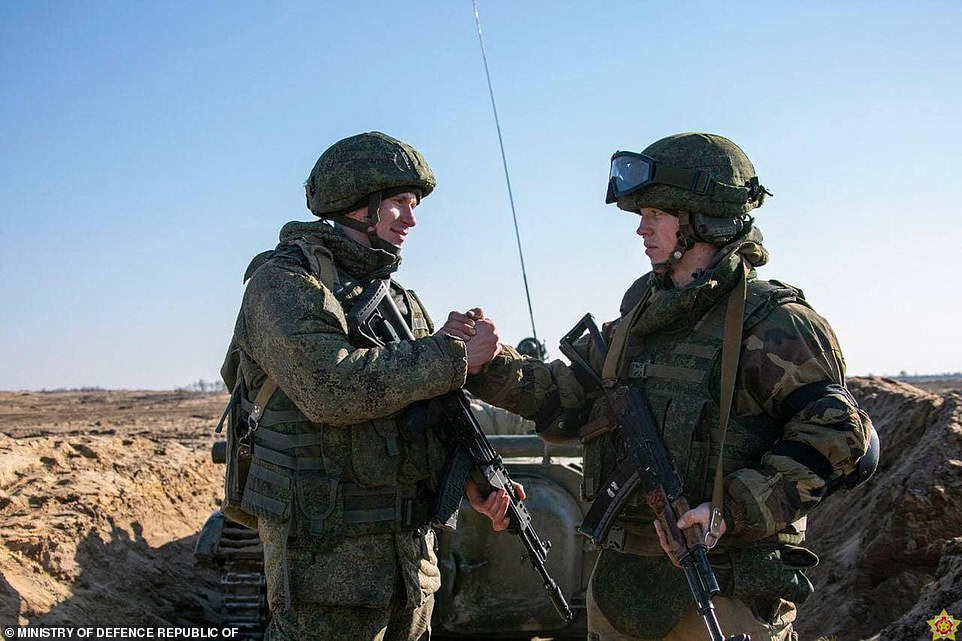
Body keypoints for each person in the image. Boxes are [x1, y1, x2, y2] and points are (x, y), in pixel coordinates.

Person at [465, 132, 874, 640]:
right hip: (622, 592)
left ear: (702, 218)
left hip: (723, 595)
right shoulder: (636, 321)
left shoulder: (771, 323)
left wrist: (732, 509)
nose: (641, 229)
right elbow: (564, 396)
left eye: (655, 214)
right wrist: (487, 364)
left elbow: (838, 434)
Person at [219, 131, 516, 641]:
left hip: (408, 565)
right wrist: (455, 355)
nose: (412, 219)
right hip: (326, 558)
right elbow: (330, 387)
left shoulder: (398, 299)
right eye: (400, 203)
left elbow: (425, 411)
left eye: (415, 204)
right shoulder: (283, 283)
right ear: (360, 203)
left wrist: (466, 477)